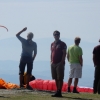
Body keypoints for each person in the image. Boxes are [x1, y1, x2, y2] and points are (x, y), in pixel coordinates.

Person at [50, 30, 67, 97]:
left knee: (60, 78)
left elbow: (64, 53)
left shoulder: (62, 44)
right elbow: (51, 53)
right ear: (53, 36)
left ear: (59, 36)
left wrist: (62, 61)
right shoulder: (52, 44)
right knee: (55, 78)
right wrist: (51, 61)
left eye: (57, 34)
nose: (56, 36)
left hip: (59, 63)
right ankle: (57, 90)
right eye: (55, 34)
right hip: (53, 63)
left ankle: (60, 91)